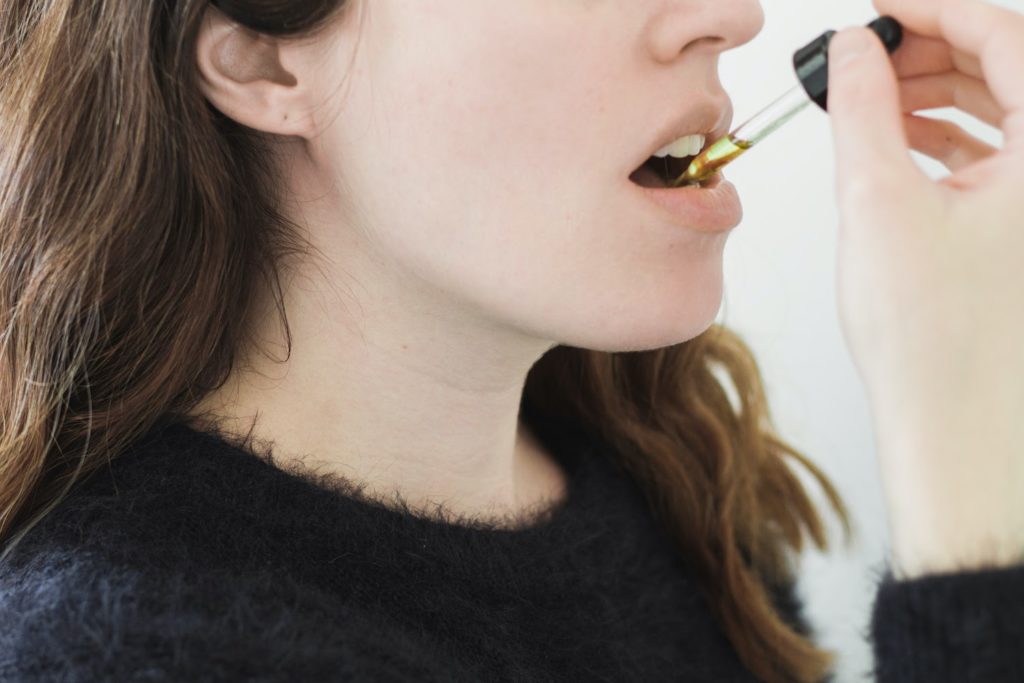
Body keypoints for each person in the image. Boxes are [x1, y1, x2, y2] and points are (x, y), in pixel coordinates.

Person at [0, 0, 1020, 680]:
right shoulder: (133, 653)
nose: (731, 15)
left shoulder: (660, 450)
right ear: (262, 57)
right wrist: (968, 487)